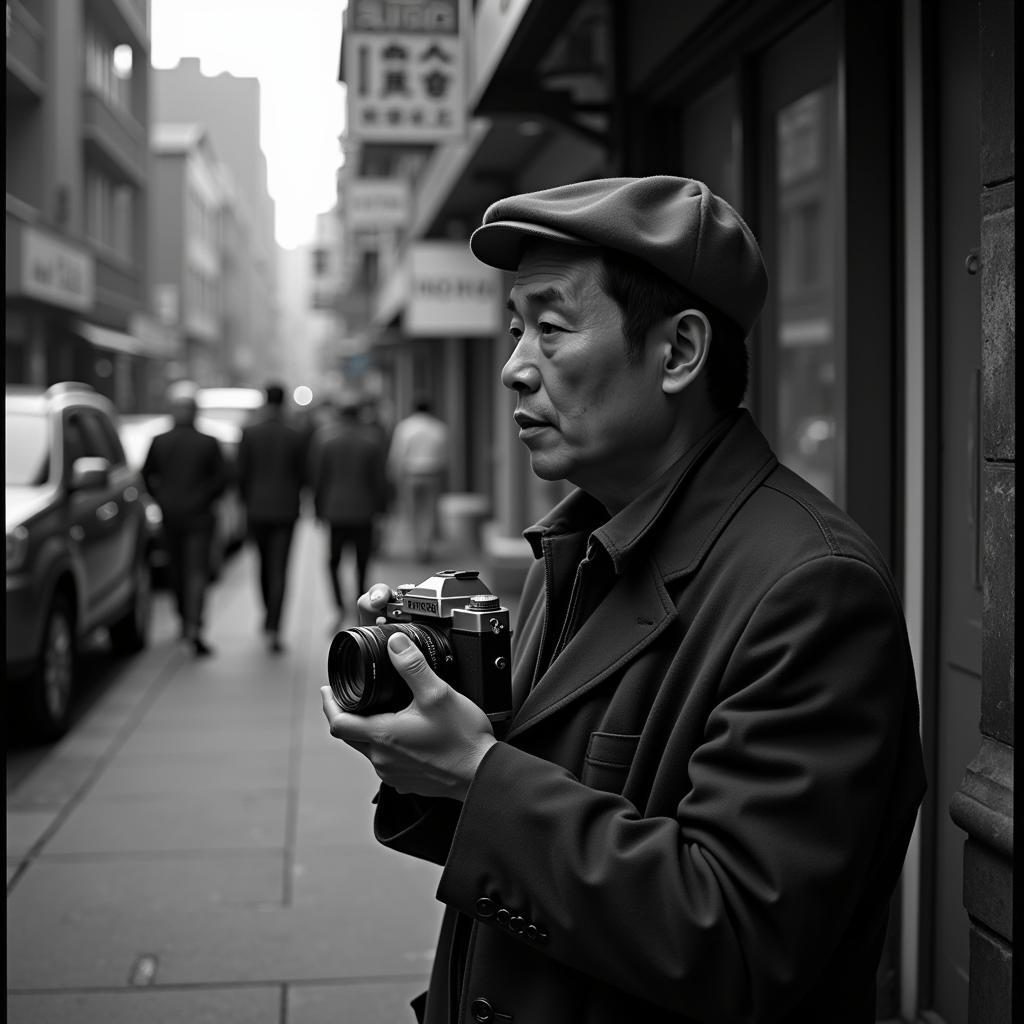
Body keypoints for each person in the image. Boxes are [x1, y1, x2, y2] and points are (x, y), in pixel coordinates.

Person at [320, 176, 927, 1023]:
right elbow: (530, 819)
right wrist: (426, 733)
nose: (513, 368)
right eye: (514, 328)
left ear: (679, 352)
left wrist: (477, 772)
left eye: (552, 328)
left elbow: (742, 939)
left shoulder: (811, 589)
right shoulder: (573, 546)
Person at [143, 381, 227, 657]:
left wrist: (163, 499)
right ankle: (193, 623)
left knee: (180, 572)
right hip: (198, 517)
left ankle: (187, 621)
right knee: (193, 573)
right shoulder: (207, 442)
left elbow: (147, 478)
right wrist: (203, 498)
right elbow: (222, 480)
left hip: (175, 517)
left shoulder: (161, 441)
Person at [236, 383, 306, 653]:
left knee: (263, 566)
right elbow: (303, 474)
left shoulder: (250, 433)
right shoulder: (295, 435)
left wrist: (247, 501)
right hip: (286, 510)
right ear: (285, 401)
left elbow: (241, 474)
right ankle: (275, 625)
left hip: (257, 509)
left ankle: (269, 616)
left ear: (265, 401)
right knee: (280, 569)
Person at [310, 399, 389, 632]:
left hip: (335, 511)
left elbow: (318, 479)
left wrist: (317, 509)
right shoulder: (372, 441)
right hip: (364, 511)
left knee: (333, 562)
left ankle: (338, 608)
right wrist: (382, 509)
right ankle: (360, 605)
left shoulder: (326, 440)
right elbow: (379, 480)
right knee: (362, 562)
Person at [387, 399, 450, 561]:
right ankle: (426, 546)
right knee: (429, 511)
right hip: (432, 473)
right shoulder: (439, 428)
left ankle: (417, 547)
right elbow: (444, 456)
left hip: (411, 473)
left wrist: (394, 475)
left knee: (413, 512)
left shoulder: (405, 427)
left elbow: (397, 454)